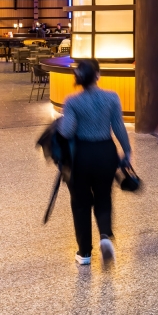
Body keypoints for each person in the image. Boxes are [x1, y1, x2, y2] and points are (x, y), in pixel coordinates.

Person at [58, 59, 131, 265]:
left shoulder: (72, 101)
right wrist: (127, 151)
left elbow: (67, 131)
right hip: (106, 153)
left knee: (81, 202)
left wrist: (60, 123)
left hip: (81, 155)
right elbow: (118, 127)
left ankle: (84, 253)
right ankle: (105, 236)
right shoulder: (112, 97)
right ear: (98, 75)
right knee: (103, 196)